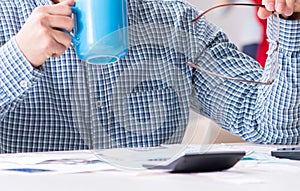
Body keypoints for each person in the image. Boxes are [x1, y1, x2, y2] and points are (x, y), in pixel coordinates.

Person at [0, 0, 299, 153]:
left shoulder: (175, 21)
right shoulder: (5, 15)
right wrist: (18, 56)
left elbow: (273, 129)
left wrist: (291, 19)